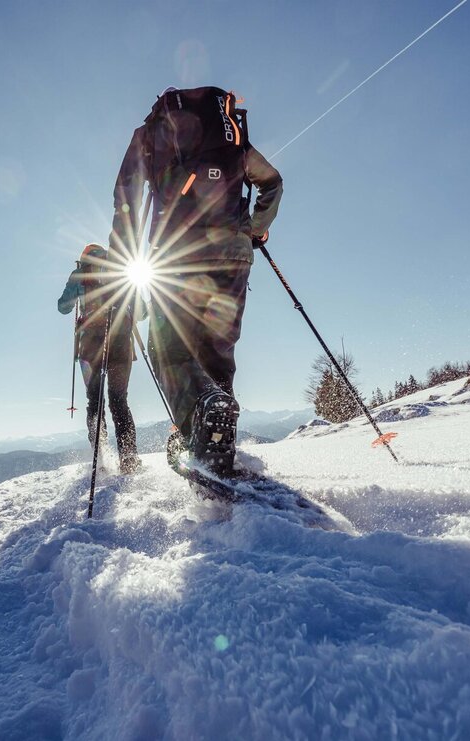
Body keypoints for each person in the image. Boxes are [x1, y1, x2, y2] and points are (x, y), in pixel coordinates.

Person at [109, 86, 282, 477]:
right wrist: (254, 228)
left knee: (168, 349)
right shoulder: (230, 137)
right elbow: (272, 182)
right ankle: (217, 447)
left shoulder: (148, 134)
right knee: (217, 351)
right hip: (234, 252)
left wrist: (121, 260)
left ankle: (203, 427)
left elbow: (126, 195)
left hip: (178, 252)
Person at [57, 243, 142, 474]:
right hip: (121, 343)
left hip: (90, 347)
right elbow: (141, 311)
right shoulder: (119, 271)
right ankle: (129, 458)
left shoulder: (80, 274)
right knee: (119, 400)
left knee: (95, 402)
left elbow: (63, 307)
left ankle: (101, 458)